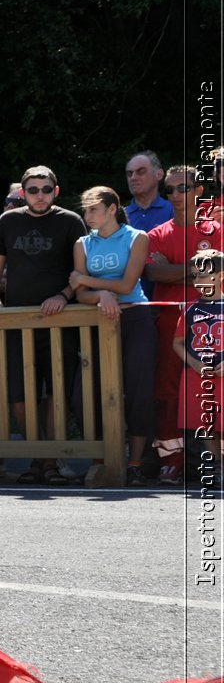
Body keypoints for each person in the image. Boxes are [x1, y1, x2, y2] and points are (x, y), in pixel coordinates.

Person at [0, 165, 87, 484]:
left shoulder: (70, 221)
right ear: (23, 193)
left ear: (57, 191)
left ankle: (50, 461)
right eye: (33, 190)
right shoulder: (8, 220)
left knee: (57, 392)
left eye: (46, 189)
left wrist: (64, 296)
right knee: (18, 395)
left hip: (59, 319)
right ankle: (39, 456)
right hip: (16, 321)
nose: (40, 195)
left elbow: (81, 271)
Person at [69, 187, 156, 483]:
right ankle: (100, 459)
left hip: (135, 317)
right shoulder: (82, 243)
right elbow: (80, 295)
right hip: (96, 319)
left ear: (111, 209)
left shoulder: (137, 237)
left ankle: (134, 462)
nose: (87, 215)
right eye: (85, 210)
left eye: (93, 209)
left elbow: (128, 283)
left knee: (139, 389)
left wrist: (92, 284)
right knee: (84, 392)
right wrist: (101, 293)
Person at [144, 164, 220, 483]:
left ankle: (213, 462)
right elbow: (152, 273)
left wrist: (175, 268)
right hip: (170, 324)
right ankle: (172, 460)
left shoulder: (217, 230)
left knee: (216, 390)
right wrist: (198, 269)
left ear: (199, 190)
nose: (175, 195)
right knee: (168, 391)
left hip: (214, 324)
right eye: (170, 190)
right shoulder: (156, 234)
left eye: (183, 188)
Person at [173, 249, 224, 479]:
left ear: (221, 275)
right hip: (198, 376)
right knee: (206, 425)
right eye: (194, 276)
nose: (198, 281)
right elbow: (178, 343)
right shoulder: (192, 308)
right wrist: (193, 363)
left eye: (203, 275)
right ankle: (216, 467)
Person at [125, 150, 174, 233]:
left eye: (141, 171)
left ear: (159, 174)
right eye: (130, 173)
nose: (133, 178)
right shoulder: (119, 217)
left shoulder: (174, 211)